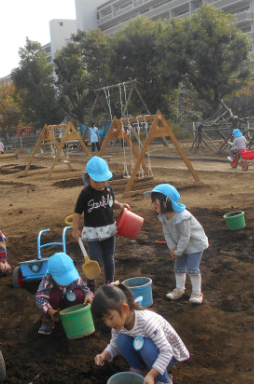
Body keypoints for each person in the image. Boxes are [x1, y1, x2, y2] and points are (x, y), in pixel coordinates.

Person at [91, 283, 189, 383]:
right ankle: (139, 371)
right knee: (121, 340)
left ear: (124, 308)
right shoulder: (117, 325)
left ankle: (163, 380)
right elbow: (114, 344)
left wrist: (151, 374)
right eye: (104, 320)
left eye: (110, 318)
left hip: (170, 355)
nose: (108, 323)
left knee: (145, 346)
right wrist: (104, 355)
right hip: (150, 352)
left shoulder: (147, 322)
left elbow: (167, 351)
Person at [72, 156, 130, 291]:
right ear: (88, 178)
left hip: (109, 230)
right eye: (96, 181)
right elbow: (77, 212)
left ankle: (109, 282)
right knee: (95, 260)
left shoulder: (109, 189)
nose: (101, 184)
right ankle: (91, 284)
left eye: (104, 181)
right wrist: (75, 229)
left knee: (109, 259)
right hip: (92, 232)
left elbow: (111, 204)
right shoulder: (85, 193)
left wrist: (120, 205)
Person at [145, 184, 209, 304]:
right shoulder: (163, 216)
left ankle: (197, 292)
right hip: (181, 244)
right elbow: (167, 234)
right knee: (179, 266)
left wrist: (179, 250)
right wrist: (172, 247)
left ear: (166, 201)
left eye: (155, 201)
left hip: (195, 245)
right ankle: (180, 290)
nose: (153, 204)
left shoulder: (183, 217)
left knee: (192, 267)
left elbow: (186, 236)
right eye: (152, 201)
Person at [35, 252, 94, 335]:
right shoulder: (47, 280)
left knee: (80, 294)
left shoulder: (74, 277)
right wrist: (50, 311)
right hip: (55, 307)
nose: (68, 283)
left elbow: (86, 289)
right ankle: (48, 320)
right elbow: (40, 298)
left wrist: (89, 295)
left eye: (69, 278)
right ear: (52, 276)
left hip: (69, 301)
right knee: (53, 296)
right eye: (63, 280)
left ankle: (74, 316)